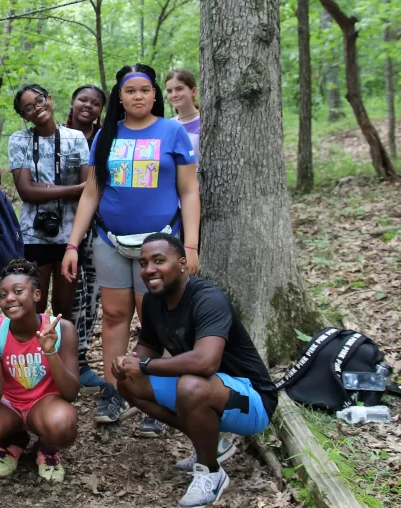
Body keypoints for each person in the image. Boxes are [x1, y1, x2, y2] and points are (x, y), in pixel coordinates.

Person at [61, 64, 200, 437]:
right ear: (119, 98)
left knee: (154, 319)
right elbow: (92, 192)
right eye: (129, 91)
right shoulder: (107, 134)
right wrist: (73, 244)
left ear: (155, 94)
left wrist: (190, 245)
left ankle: (157, 397)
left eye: (144, 90)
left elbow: (189, 192)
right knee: (113, 314)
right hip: (110, 240)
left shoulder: (172, 132)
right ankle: (115, 389)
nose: (137, 96)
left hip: (159, 245)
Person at [113, 234, 276, 508]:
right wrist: (127, 363)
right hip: (207, 389)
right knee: (130, 383)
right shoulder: (155, 300)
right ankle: (212, 444)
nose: (149, 269)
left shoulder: (208, 299)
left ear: (183, 264)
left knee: (190, 385)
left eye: (159, 260)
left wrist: (143, 365)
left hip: (252, 399)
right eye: (143, 263)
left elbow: (205, 363)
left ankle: (210, 472)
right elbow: (148, 346)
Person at [0, 259, 80, 483]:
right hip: (8, 406)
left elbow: (71, 393)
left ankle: (47, 447)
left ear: (36, 295)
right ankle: (14, 438)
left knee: (62, 426)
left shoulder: (62, 330)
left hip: (45, 404)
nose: (9, 298)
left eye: (18, 291)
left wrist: (50, 352)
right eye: (2, 294)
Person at [9, 84, 91, 324]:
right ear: (24, 116)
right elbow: (26, 191)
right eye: (28, 107)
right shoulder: (20, 140)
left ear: (50, 99)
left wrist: (44, 189)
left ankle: (63, 354)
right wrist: (74, 189)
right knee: (35, 304)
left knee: (64, 306)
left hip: (71, 234)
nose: (37, 108)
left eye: (40, 100)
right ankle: (34, 356)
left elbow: (87, 188)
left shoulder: (75, 137)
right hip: (35, 234)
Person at [64, 85, 108, 389]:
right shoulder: (56, 135)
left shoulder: (106, 139)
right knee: (62, 295)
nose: (88, 106)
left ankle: (79, 359)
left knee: (90, 295)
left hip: (99, 229)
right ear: (72, 102)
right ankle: (49, 356)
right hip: (56, 230)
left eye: (95, 103)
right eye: (83, 100)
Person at [165, 69, 201, 172]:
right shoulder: (168, 125)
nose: (174, 95)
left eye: (179, 89)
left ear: (193, 91)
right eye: (169, 91)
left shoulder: (206, 123)